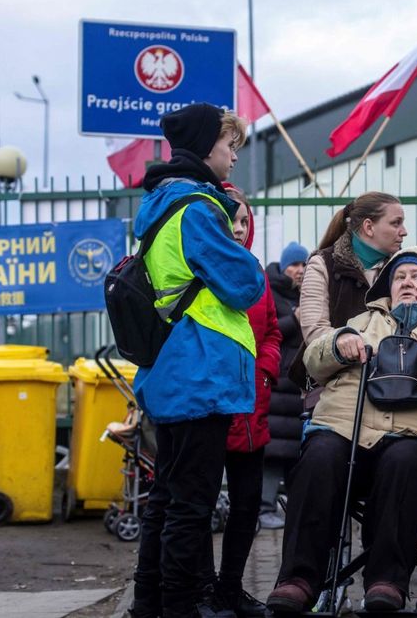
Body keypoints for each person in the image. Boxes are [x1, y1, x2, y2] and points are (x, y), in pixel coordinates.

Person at [265, 247, 417, 614]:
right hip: (348, 430)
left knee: (402, 459)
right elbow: (312, 361)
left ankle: (386, 581)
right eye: (401, 277)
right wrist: (337, 345)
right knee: (318, 455)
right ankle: (298, 578)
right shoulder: (361, 321)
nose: (408, 283)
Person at [130, 103, 265, 618]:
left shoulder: (163, 205)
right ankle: (180, 607)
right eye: (230, 146)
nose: (233, 158)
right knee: (191, 505)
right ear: (207, 146)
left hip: (173, 371)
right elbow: (245, 283)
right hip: (200, 372)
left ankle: (149, 603)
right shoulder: (198, 209)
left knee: (166, 497)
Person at [198, 183, 281, 617]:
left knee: (247, 504)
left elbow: (270, 332)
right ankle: (205, 591)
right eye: (230, 219)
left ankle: (230, 590)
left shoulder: (255, 272)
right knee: (203, 504)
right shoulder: (203, 271)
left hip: (252, 407)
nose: (238, 228)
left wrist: (263, 372)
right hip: (212, 406)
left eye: (245, 220)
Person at [298, 192, 407, 348]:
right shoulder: (322, 264)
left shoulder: (405, 267)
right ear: (369, 227)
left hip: (396, 369)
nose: (404, 231)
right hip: (338, 369)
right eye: (396, 223)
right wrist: (344, 341)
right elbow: (314, 331)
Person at [260, 241, 309, 530]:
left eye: (304, 265)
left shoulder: (310, 293)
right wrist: (294, 319)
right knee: (273, 453)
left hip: (299, 386)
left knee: (296, 453)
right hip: (276, 385)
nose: (300, 271)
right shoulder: (271, 291)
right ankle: (264, 508)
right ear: (283, 266)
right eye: (295, 265)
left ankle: (292, 508)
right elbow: (268, 331)